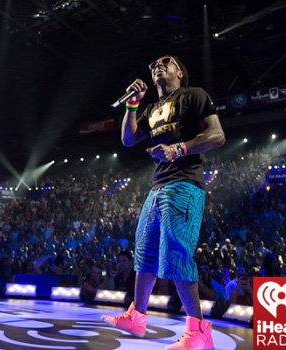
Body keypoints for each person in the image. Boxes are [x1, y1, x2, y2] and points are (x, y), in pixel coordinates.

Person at [102, 55, 225, 349]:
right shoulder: (152, 108)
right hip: (158, 187)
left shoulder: (193, 95)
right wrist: (133, 104)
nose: (158, 65)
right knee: (144, 251)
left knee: (176, 253)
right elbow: (129, 139)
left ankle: (198, 331)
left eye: (166, 62)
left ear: (180, 72)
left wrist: (177, 149)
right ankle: (137, 316)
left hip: (184, 184)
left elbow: (217, 135)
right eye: (154, 63)